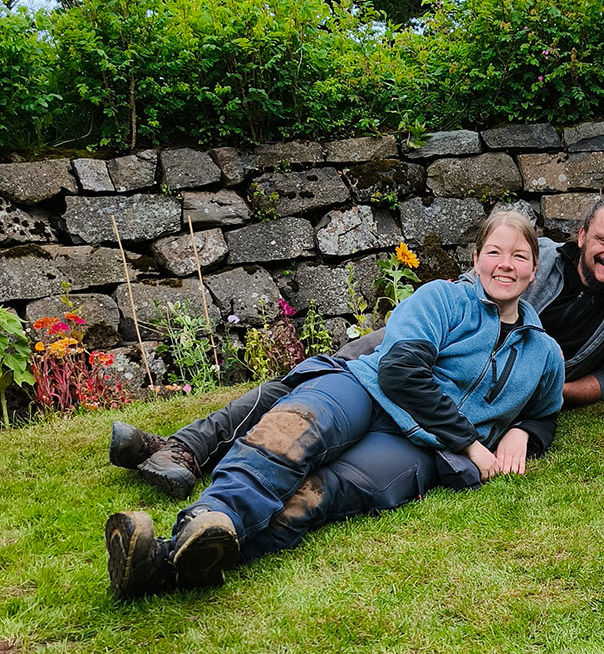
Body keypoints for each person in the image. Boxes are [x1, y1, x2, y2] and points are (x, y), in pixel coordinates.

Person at [105, 209, 566, 600]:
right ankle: (213, 515)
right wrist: (470, 443)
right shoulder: (443, 299)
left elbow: (545, 411)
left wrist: (523, 431)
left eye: (519, 257)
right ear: (476, 259)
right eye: (495, 253)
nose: (505, 265)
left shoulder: (544, 353)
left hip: (421, 447)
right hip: (366, 390)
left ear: (533, 268)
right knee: (288, 434)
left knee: (316, 496)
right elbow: (401, 373)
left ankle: (162, 563)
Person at [107, 196, 604, 499]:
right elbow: (484, 286)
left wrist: (528, 407)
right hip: (444, 340)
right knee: (312, 379)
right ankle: (184, 448)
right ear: (581, 236)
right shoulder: (540, 261)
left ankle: (201, 456)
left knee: (324, 398)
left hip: (496, 378)